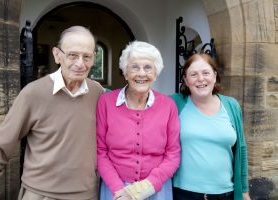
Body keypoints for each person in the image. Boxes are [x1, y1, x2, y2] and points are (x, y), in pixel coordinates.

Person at [0, 26, 104, 200]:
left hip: (86, 195)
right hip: (40, 195)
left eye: (87, 56)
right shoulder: (33, 93)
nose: (80, 63)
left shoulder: (98, 93)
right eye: (72, 55)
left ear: (94, 58)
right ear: (57, 55)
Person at [96, 41, 180, 200]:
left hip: (156, 190)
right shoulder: (105, 102)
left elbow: (173, 154)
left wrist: (147, 187)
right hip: (116, 191)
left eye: (148, 67)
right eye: (134, 67)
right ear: (125, 72)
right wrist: (119, 191)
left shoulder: (168, 106)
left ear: (155, 73)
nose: (141, 73)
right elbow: (100, 152)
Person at [170, 53, 251, 200]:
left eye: (206, 73)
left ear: (214, 76)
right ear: (186, 80)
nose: (201, 79)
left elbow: (242, 149)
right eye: (193, 74)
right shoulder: (174, 103)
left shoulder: (231, 105)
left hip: (226, 193)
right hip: (184, 193)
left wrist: (244, 191)